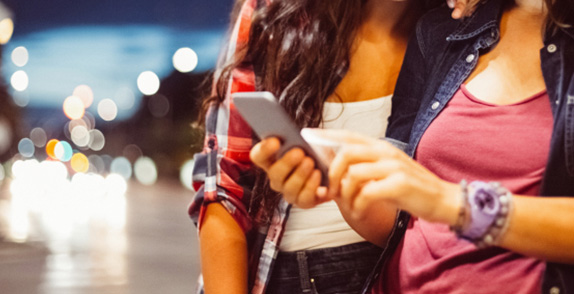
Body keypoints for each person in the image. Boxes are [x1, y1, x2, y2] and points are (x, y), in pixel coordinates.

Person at [251, 0, 574, 292]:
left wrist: (451, 202)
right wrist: (340, 177)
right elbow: (396, 225)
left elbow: (435, 201)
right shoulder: (443, 30)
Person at [188, 0, 478, 293]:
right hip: (274, 273)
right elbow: (223, 187)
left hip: (392, 274)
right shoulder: (274, 11)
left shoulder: (465, 26)